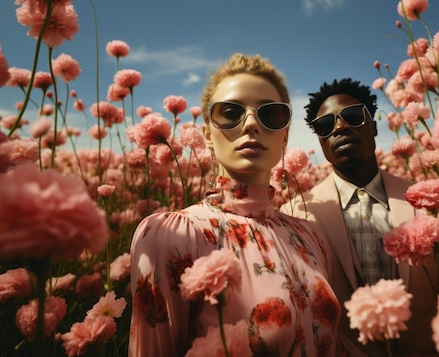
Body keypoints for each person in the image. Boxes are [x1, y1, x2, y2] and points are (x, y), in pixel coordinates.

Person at [128, 53, 343, 357]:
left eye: (271, 114)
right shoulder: (172, 235)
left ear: (284, 137)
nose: (252, 123)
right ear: (208, 136)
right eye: (230, 112)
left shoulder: (311, 237)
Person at [281, 79, 439, 357]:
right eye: (326, 125)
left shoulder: (434, 204)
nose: (340, 127)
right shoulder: (295, 215)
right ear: (321, 142)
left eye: (352, 116)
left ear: (373, 126)